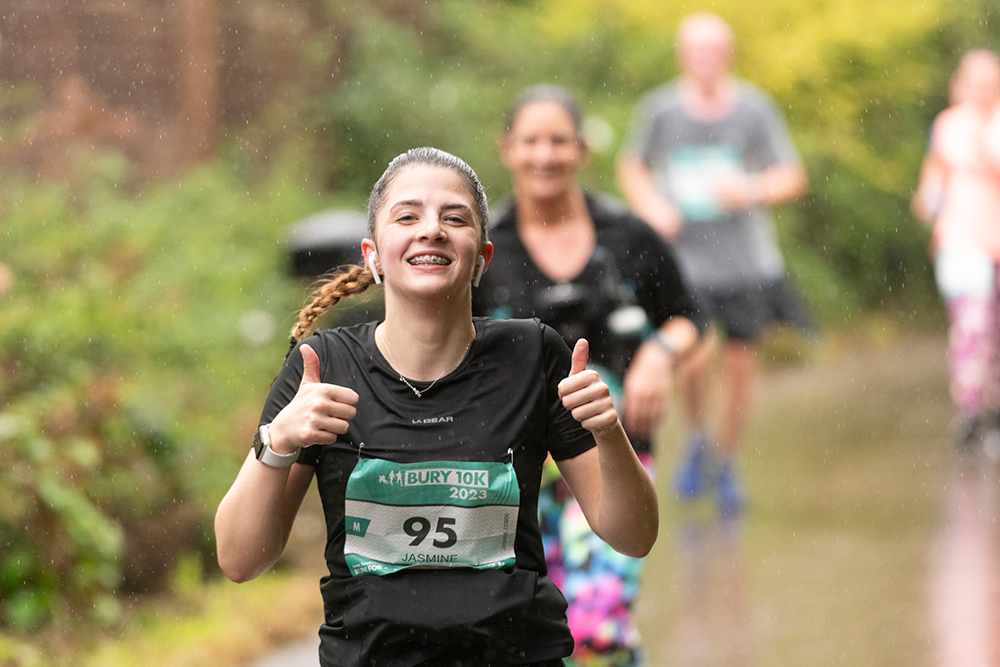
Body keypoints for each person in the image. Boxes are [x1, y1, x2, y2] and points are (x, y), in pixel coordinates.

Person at [214, 147, 660, 666]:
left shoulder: (532, 356)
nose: (431, 230)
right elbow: (241, 559)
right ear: (373, 254)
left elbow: (633, 536)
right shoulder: (324, 366)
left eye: (455, 218)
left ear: (482, 259)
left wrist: (610, 433)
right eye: (407, 216)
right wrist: (278, 442)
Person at [473, 85, 698, 667]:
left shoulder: (629, 235)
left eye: (558, 141)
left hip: (613, 452)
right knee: (536, 627)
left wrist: (658, 356)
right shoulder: (483, 247)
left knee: (596, 627)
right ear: (507, 149)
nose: (544, 155)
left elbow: (689, 317)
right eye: (531, 141)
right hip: (514, 468)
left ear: (582, 150)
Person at [616, 13, 810, 515]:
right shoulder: (660, 110)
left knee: (742, 367)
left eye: (713, 50)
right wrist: (652, 206)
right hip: (685, 264)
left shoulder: (754, 110)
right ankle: (698, 437)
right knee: (693, 360)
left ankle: (727, 462)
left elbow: (791, 176)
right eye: (694, 50)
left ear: (728, 54)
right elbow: (632, 165)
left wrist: (748, 189)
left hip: (746, 263)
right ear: (683, 55)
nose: (703, 59)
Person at [911, 50, 1000, 454]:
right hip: (962, 242)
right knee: (971, 327)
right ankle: (970, 411)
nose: (983, 92)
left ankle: (993, 409)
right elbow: (935, 174)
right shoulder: (947, 126)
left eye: (991, 83)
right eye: (977, 83)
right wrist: (928, 200)